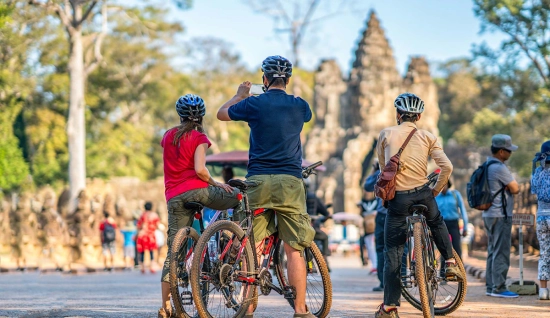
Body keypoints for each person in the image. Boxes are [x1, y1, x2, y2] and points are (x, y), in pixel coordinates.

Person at [217, 55, 316, 318]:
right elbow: (303, 119)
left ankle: (248, 306)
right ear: (288, 80)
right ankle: (300, 309)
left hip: (258, 180)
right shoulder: (300, 105)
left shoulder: (253, 103)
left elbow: (221, 114)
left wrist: (239, 95)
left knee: (254, 245)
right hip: (290, 182)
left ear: (265, 79)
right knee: (294, 249)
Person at [374, 93, 462, 318]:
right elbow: (447, 167)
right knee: (436, 221)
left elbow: (384, 170)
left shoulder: (386, 134)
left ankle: (390, 307)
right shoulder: (427, 136)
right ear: (419, 116)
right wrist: (435, 190)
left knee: (393, 251)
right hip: (424, 194)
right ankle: (450, 262)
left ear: (398, 114)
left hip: (399, 199)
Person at [159, 94, 243, 318]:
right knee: (239, 197)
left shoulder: (167, 136)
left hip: (174, 197)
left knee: (174, 253)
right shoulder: (199, 137)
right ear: (201, 116)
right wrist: (216, 184)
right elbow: (199, 169)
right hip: (199, 190)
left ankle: (167, 307)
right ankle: (236, 239)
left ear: (180, 115)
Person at [484, 134, 520, 298]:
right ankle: (499, 288)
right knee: (502, 251)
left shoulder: (486, 165)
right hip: (500, 214)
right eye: (508, 150)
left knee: (492, 250)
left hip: (489, 214)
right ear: (500, 152)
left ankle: (490, 286)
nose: (510, 154)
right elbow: (515, 188)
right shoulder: (499, 167)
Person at [364, 164, 388, 292]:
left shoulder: (381, 171)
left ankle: (383, 282)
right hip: (399, 212)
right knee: (399, 247)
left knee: (381, 248)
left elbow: (367, 186)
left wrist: (374, 170)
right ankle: (401, 281)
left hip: (384, 215)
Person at [531, 140, 550, 300]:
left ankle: (543, 290)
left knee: (544, 253)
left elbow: (534, 191)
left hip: (542, 216)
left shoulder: (537, 172)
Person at [435, 179, 469, 260]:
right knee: (444, 249)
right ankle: (443, 272)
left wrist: (465, 228)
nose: (443, 187)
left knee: (457, 247)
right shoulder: (436, 197)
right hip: (442, 224)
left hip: (454, 223)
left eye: (444, 184)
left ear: (448, 185)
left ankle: (460, 271)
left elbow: (463, 211)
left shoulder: (455, 195)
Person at [137, 202, 160, 274]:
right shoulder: (155, 215)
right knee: (151, 251)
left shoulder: (142, 215)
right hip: (151, 236)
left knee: (142, 252)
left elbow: (138, 225)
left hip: (143, 235)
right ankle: (152, 267)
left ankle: (142, 267)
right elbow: (157, 225)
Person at [358, 193, 377, 271]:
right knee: (371, 247)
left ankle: (375, 265)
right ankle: (374, 265)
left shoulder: (363, 202)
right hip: (370, 228)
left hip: (370, 228)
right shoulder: (376, 201)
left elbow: (361, 214)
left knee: (371, 247)